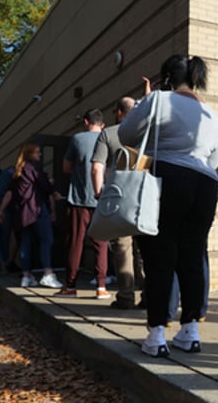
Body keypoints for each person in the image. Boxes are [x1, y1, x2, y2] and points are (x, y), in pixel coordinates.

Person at [119, 54, 218, 357]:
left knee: (159, 255)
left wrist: (145, 106)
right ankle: (190, 331)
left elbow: (126, 135)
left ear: (166, 78)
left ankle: (156, 334)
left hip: (167, 178)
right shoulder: (210, 113)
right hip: (204, 184)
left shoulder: (158, 100)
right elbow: (214, 159)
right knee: (193, 255)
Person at [92, 97, 145, 309]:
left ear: (119, 112)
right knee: (143, 248)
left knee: (122, 247)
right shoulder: (145, 133)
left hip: (118, 196)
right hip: (142, 196)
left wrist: (98, 194)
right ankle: (148, 295)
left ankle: (126, 296)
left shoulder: (109, 133)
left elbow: (97, 167)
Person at [54, 109, 110, 300]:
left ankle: (70, 285)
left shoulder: (77, 139)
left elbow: (66, 168)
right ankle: (101, 286)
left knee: (75, 242)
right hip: (102, 198)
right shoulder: (108, 137)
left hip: (78, 198)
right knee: (101, 244)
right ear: (102, 124)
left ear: (86, 122)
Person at [0, 142, 63, 289]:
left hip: (21, 213)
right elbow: (45, 185)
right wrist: (53, 191)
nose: (39, 154)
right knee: (47, 240)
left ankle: (26, 276)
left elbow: (9, 193)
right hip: (37, 210)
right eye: (37, 152)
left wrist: (1, 210)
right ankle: (48, 273)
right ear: (29, 154)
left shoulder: (17, 172)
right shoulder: (33, 167)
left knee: (25, 243)